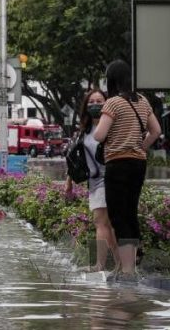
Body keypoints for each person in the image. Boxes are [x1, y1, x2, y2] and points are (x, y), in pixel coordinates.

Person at [92, 60, 162, 277]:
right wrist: (140, 147)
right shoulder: (142, 101)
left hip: (117, 164)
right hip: (138, 164)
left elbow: (99, 135)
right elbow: (156, 131)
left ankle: (128, 270)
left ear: (111, 80)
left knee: (118, 216)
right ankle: (130, 266)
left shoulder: (112, 103)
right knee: (130, 213)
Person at [65, 89, 117, 271]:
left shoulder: (111, 126)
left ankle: (100, 265)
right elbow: (75, 160)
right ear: (86, 106)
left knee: (100, 222)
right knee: (107, 225)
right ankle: (119, 265)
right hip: (94, 183)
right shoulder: (84, 131)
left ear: (107, 103)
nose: (95, 104)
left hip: (109, 179)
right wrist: (69, 184)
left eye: (99, 101)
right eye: (91, 101)